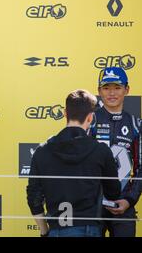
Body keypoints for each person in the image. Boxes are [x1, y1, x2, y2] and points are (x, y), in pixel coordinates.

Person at [27, 89, 120, 237]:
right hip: (89, 229)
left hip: (56, 229)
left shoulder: (42, 151)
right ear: (90, 118)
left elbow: (34, 197)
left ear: (65, 113)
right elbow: (114, 192)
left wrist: (44, 231)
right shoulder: (101, 151)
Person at [89, 67, 141, 237]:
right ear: (99, 91)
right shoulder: (90, 121)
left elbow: (140, 168)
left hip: (123, 204)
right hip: (92, 205)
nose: (112, 93)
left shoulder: (136, 124)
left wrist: (129, 200)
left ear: (127, 90)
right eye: (106, 88)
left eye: (117, 87)